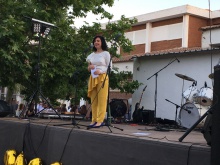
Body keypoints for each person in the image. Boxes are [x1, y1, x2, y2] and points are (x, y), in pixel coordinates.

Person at [86, 35, 111, 128]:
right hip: (93, 77)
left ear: (102, 43)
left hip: (102, 77)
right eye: (95, 41)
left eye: (98, 41)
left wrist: (100, 71)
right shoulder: (91, 55)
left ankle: (100, 120)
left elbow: (109, 67)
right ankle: (94, 119)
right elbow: (88, 68)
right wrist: (89, 67)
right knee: (94, 100)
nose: (96, 42)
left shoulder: (106, 54)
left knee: (102, 99)